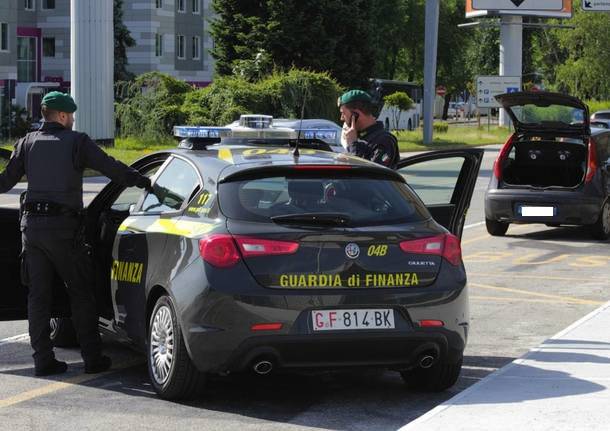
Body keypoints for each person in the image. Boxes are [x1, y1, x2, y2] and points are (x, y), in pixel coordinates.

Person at [0, 91, 152, 376]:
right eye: (70, 115)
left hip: (31, 230)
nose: (71, 120)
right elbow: (112, 168)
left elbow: (4, 183)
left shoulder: (25, 143)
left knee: (38, 298)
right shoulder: (77, 141)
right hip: (64, 231)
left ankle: (42, 361)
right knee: (81, 293)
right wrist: (143, 181)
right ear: (61, 115)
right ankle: (92, 359)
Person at [338, 89, 400, 169]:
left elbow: (370, 175)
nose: (341, 118)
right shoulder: (358, 137)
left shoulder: (385, 140)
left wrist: (353, 145)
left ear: (355, 114)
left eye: (343, 113)